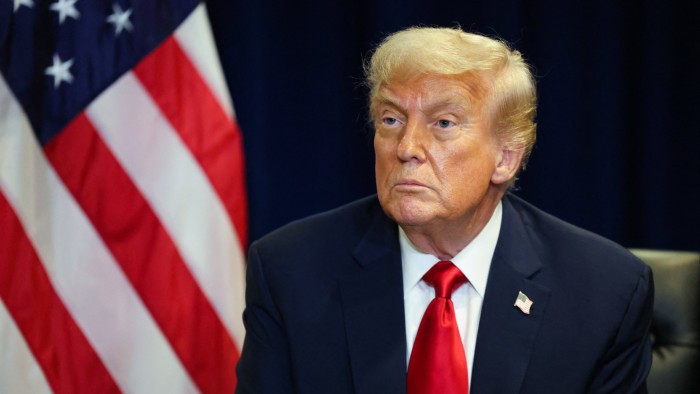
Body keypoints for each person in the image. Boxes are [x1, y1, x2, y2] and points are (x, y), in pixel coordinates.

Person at [235, 26, 653, 394]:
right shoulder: (291, 271)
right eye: (391, 120)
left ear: (506, 158)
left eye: (444, 123)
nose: (407, 148)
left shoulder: (604, 292)